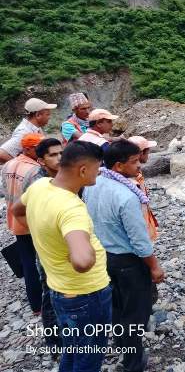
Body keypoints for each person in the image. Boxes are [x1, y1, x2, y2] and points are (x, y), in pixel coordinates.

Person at [12, 141, 111, 372]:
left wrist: (41, 233)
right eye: (98, 168)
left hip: (59, 290)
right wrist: (88, 251)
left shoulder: (41, 185)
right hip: (87, 294)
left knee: (73, 347)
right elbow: (82, 261)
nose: (99, 173)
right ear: (83, 170)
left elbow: (16, 210)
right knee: (89, 357)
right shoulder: (71, 208)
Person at [83, 140, 165, 372]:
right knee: (135, 315)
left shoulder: (93, 183)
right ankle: (133, 363)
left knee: (117, 307)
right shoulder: (127, 196)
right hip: (128, 262)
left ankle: (122, 345)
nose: (139, 166)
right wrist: (154, 267)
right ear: (118, 166)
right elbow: (140, 242)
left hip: (103, 256)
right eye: (134, 161)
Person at [22, 138, 63, 347]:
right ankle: (54, 340)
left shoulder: (62, 175)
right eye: (53, 155)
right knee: (50, 290)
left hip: (64, 242)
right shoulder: (37, 182)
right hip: (47, 247)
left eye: (61, 153)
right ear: (41, 160)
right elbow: (21, 211)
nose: (59, 158)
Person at [1, 133, 45, 314]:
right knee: (42, 262)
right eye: (39, 148)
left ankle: (35, 305)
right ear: (27, 149)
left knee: (27, 262)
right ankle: (47, 302)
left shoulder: (8, 165)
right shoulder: (34, 170)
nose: (43, 152)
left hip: (15, 220)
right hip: (30, 222)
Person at [0, 98, 56, 164]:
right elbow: (2, 154)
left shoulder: (36, 128)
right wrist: (23, 166)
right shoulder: (24, 132)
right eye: (47, 114)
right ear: (38, 115)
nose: (49, 117)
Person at [128, 136, 159, 243]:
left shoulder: (134, 173)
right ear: (141, 153)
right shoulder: (132, 178)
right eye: (147, 152)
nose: (148, 155)